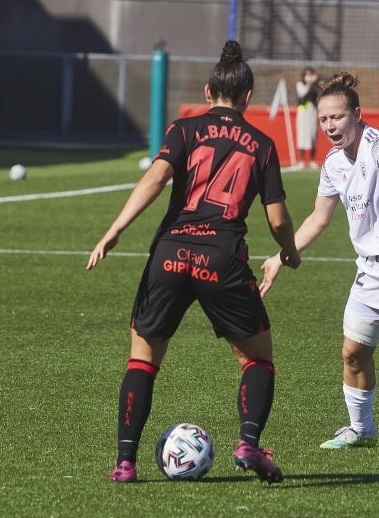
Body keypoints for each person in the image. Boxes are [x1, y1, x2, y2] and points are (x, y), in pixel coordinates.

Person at [87, 40, 301, 484]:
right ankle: (248, 442)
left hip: (170, 253)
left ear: (207, 92)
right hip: (221, 258)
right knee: (257, 358)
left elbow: (156, 177)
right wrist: (289, 251)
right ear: (248, 96)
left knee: (142, 359)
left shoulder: (182, 130)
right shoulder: (261, 144)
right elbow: (277, 218)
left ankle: (125, 462)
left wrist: (115, 229)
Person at [261, 71, 379, 462]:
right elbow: (318, 218)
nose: (329, 126)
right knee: (352, 354)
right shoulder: (331, 164)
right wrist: (280, 255)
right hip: (371, 267)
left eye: (337, 117)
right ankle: (362, 430)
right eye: (324, 119)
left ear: (357, 115)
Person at [295, 66, 320, 168]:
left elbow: (318, 96)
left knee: (312, 135)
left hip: (313, 112)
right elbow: (303, 92)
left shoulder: (316, 86)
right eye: (307, 74)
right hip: (303, 112)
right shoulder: (300, 84)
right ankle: (301, 161)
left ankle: (312, 160)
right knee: (302, 136)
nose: (308, 76)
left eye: (310, 74)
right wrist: (310, 82)